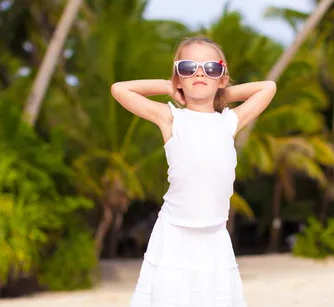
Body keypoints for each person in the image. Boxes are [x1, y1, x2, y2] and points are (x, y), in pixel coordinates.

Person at [110, 35, 277, 307]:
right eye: (188, 68)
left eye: (211, 68)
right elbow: (120, 89)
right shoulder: (170, 118)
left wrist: (220, 91)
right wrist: (171, 86)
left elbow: (268, 87)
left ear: (222, 77)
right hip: (175, 234)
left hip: (214, 236)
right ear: (178, 78)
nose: (199, 72)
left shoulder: (229, 121)